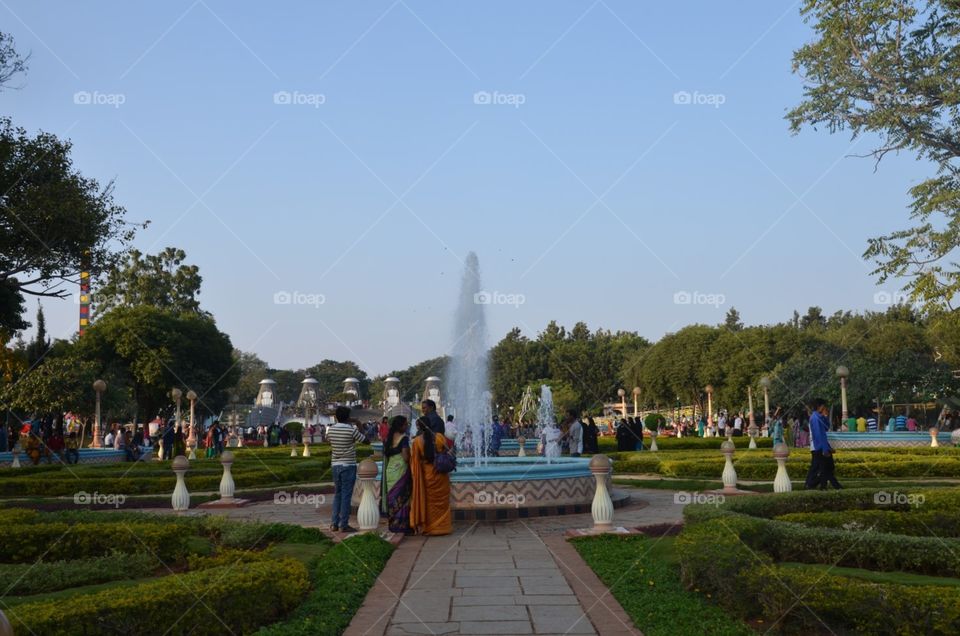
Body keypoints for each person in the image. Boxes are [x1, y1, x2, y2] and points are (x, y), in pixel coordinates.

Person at [410, 416, 452, 535]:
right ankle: (443, 527)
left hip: (427, 475)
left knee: (429, 502)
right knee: (442, 502)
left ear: (419, 427)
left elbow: (414, 462)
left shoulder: (417, 441)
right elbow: (447, 451)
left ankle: (430, 528)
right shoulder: (439, 437)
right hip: (441, 475)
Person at [329, 406, 367, 533]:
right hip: (348, 465)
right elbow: (366, 440)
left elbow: (329, 440)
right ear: (348, 417)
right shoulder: (351, 430)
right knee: (346, 495)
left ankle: (334, 523)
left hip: (335, 465)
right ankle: (343, 524)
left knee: (337, 494)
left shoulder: (331, 429)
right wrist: (358, 423)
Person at [805, 398, 842, 490]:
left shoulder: (818, 416)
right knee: (825, 469)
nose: (825, 408)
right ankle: (815, 485)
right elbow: (818, 434)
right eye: (824, 406)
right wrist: (825, 449)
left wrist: (825, 416)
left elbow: (826, 428)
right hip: (820, 447)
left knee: (826, 468)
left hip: (822, 446)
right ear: (820, 406)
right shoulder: (815, 418)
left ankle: (821, 486)